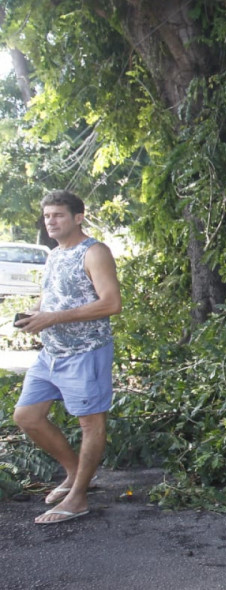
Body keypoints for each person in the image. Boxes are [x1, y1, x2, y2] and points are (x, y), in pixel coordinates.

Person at [13, 190, 122, 525]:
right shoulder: (54, 255)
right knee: (26, 416)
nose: (51, 222)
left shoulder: (94, 252)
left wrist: (53, 318)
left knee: (91, 423)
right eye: (47, 216)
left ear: (78, 218)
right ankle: (76, 473)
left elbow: (111, 304)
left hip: (86, 352)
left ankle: (78, 499)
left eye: (58, 215)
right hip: (52, 354)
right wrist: (34, 316)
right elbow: (52, 300)